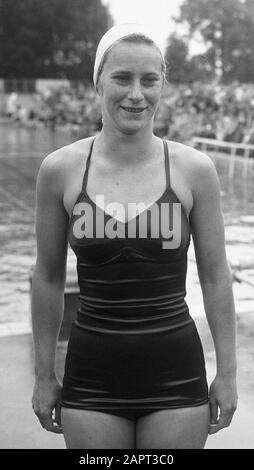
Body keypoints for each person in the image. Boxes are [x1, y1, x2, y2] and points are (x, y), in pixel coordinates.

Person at [31, 23, 237, 449]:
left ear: (163, 85)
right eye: (122, 78)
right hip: (91, 377)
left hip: (176, 377)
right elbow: (48, 278)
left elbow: (216, 276)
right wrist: (43, 374)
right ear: (98, 84)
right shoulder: (61, 170)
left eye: (150, 80)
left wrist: (228, 374)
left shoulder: (193, 169)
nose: (136, 94)